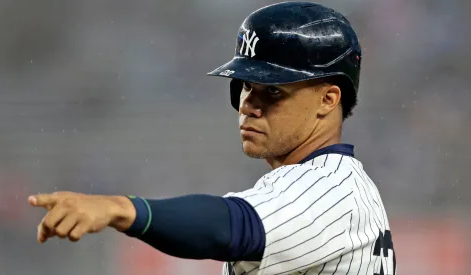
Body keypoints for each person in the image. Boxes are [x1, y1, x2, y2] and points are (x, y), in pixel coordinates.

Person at [28, 2, 397, 274]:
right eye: (246, 87)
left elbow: (230, 227)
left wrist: (122, 209)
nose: (248, 105)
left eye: (272, 91)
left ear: (328, 99)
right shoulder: (324, 183)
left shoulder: (333, 190)